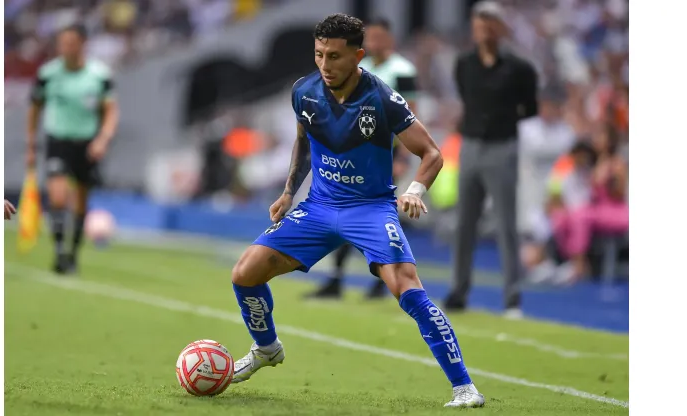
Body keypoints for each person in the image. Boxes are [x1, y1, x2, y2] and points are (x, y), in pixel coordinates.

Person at [229, 14, 484, 408]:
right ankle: (267, 349)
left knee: (407, 288)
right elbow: (303, 142)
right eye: (319, 55)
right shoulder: (304, 91)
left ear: (358, 56)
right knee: (245, 273)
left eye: (334, 56)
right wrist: (287, 193)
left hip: (370, 209)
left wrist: (415, 189)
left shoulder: (381, 97)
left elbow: (431, 153)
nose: (325, 65)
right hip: (318, 207)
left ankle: (464, 387)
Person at [305, 17, 417, 300]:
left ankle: (384, 278)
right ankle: (337, 277)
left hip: (383, 154)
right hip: (353, 154)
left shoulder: (403, 70)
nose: (375, 43)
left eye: (380, 37)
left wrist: (402, 156)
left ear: (390, 39)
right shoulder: (360, 68)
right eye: (371, 38)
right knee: (345, 211)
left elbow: (411, 116)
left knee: (381, 215)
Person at [444, 1, 538, 318]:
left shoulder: (518, 68)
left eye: (489, 24)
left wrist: (501, 121)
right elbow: (464, 96)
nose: (483, 30)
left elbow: (531, 107)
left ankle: (512, 297)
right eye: (478, 24)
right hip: (470, 145)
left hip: (502, 146)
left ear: (500, 28)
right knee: (464, 223)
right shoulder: (464, 63)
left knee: (506, 224)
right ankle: (459, 291)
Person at [26, 24, 119, 275]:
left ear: (82, 44)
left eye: (71, 43)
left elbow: (110, 110)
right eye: (62, 43)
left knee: (80, 202)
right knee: (57, 196)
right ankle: (58, 252)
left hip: (87, 145)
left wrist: (103, 138)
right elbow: (34, 109)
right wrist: (31, 143)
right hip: (58, 140)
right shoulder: (48, 74)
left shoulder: (99, 75)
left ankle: (73, 253)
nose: (65, 48)